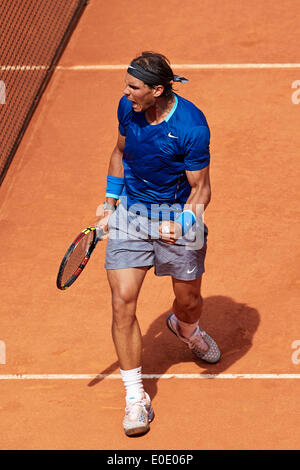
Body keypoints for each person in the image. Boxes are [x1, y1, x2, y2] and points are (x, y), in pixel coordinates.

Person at [96, 51, 221, 437]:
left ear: (157, 90)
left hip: (177, 217)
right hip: (131, 216)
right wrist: (109, 202)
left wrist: (183, 223)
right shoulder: (127, 108)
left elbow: (202, 190)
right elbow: (119, 153)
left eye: (133, 87)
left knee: (189, 301)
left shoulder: (191, 126)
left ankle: (186, 329)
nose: (125, 92)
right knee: (122, 303)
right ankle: (136, 396)